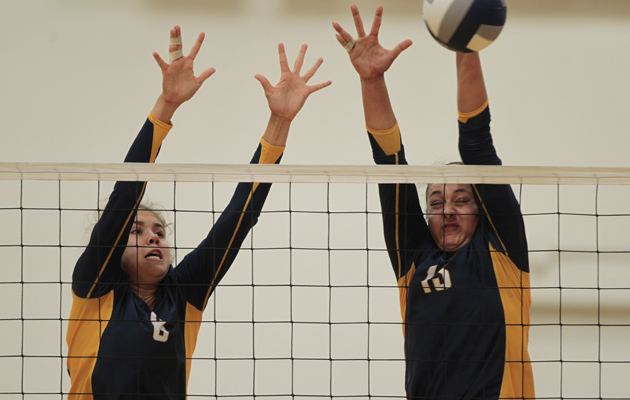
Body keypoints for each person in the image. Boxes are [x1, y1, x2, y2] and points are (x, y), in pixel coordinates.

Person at [67, 25, 331, 399]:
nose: (154, 236)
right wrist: (167, 105)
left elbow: (239, 217)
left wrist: (280, 121)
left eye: (159, 230)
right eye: (137, 231)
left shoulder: (185, 293)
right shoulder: (96, 286)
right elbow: (125, 195)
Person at [333, 5, 534, 400]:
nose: (448, 210)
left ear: (482, 210)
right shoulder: (414, 257)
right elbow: (389, 164)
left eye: (462, 199)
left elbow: (477, 143)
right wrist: (371, 81)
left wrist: (466, 42)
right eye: (437, 201)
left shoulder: (502, 251)